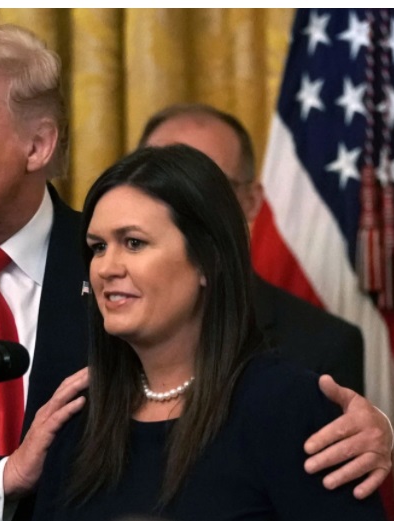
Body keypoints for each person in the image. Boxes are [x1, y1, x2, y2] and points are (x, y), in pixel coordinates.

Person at [0, 24, 390, 521]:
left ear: (38, 144)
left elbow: (260, 336)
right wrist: (0, 478)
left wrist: (362, 425)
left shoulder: (117, 259)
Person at [33, 144, 387, 521]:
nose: (106, 267)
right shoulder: (78, 417)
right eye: (98, 247)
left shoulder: (287, 407)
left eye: (133, 243)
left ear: (207, 260)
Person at [138, 103, 366, 395]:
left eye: (210, 187)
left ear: (251, 201)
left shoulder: (323, 346)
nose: (182, 206)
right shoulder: (96, 322)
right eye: (160, 185)